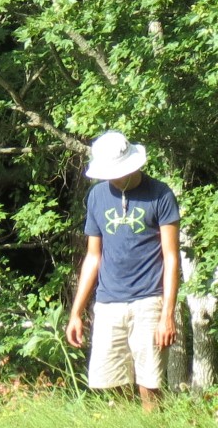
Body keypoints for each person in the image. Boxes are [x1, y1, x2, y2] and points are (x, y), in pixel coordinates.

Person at [65, 131, 181, 409]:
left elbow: (171, 257)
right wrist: (75, 313)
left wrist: (167, 314)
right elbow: (93, 257)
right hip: (108, 303)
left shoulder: (160, 194)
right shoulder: (96, 196)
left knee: (149, 385)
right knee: (111, 384)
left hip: (149, 301)